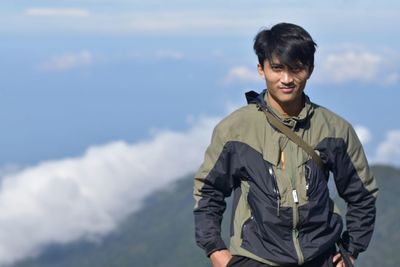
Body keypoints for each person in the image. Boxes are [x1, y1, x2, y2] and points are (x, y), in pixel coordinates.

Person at [193, 22, 378, 267]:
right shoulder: (235, 130)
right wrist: (216, 251)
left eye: (296, 69)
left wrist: (350, 250)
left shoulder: (335, 129)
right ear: (261, 69)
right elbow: (208, 192)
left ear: (310, 70)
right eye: (277, 68)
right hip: (256, 259)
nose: (287, 79)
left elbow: (362, 195)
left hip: (321, 258)